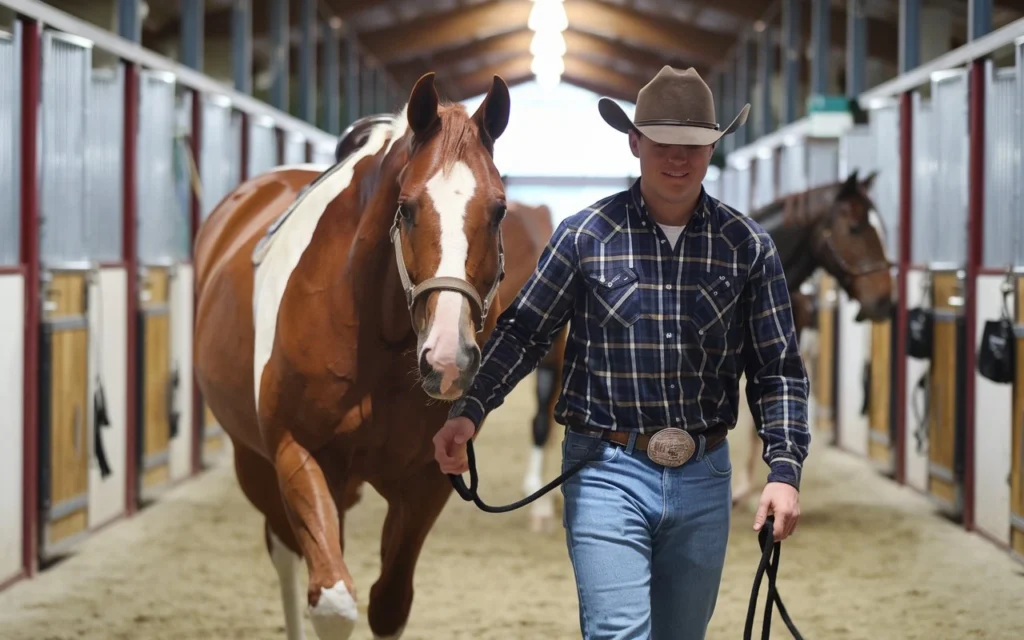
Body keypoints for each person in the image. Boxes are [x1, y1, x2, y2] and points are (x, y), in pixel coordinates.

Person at [434, 65, 810, 640]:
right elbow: (526, 331)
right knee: (618, 633)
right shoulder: (585, 236)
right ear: (635, 142)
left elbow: (777, 368)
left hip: (705, 473)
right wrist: (471, 409)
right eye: (662, 142)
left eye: (693, 145)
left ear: (713, 146)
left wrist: (783, 469)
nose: (678, 158)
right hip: (605, 469)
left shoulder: (747, 247)